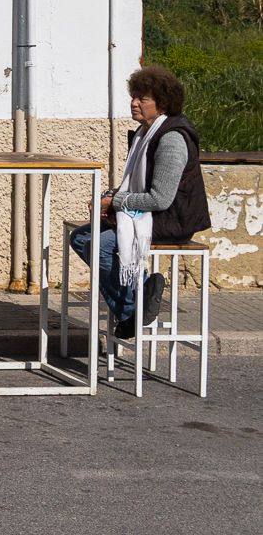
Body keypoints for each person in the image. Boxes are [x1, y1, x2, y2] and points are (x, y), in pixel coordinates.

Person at [71, 65, 209, 340]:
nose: (134, 103)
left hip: (172, 219)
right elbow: (136, 184)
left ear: (162, 104)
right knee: (80, 237)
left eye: (142, 98)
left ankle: (131, 311)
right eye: (134, 97)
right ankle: (141, 294)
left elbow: (160, 197)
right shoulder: (144, 134)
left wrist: (116, 201)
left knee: (100, 245)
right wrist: (107, 198)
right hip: (145, 214)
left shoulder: (171, 139)